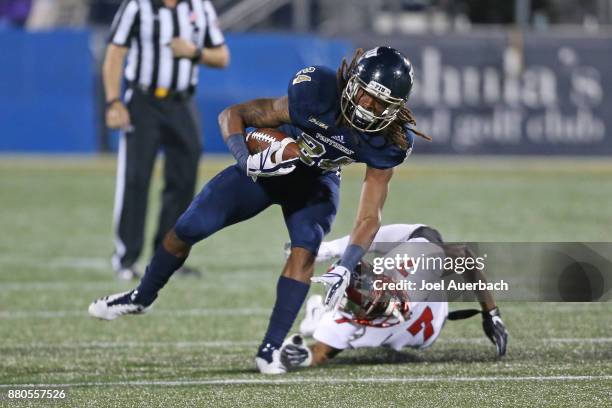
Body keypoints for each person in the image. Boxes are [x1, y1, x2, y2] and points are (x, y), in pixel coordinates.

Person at [88, 46, 429, 374]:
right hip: (270, 165)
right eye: (365, 93)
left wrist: (347, 265)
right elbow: (233, 115)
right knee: (189, 227)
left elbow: (370, 216)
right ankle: (141, 296)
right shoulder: (318, 91)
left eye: (380, 102)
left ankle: (269, 350)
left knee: (306, 248)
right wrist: (247, 161)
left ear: (395, 108)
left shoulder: (391, 141)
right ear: (351, 81)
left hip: (317, 181)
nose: (367, 106)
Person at [103, 0, 229, 280]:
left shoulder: (200, 7)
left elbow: (222, 57)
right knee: (135, 178)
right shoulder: (137, 6)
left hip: (182, 102)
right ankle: (126, 258)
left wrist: (193, 52)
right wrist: (113, 101)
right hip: (143, 99)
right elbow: (115, 52)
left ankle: (168, 257)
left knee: (183, 180)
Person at [281, 223, 509, 370]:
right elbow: (317, 354)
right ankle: (318, 314)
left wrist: (492, 314)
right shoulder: (347, 325)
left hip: (430, 301)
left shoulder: (412, 266)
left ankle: (331, 249)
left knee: (424, 236)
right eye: (374, 303)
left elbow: (465, 256)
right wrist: (296, 356)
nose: (385, 302)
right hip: (425, 330)